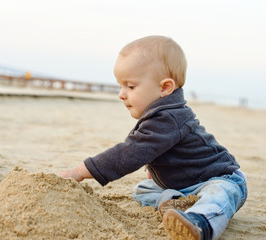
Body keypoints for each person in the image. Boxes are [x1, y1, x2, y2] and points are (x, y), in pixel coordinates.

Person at [59, 35, 247, 240]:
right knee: (143, 190)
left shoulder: (170, 118)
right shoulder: (159, 115)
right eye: (120, 86)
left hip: (219, 178)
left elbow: (130, 153)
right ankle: (177, 201)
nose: (121, 94)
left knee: (219, 194)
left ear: (165, 87)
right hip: (183, 184)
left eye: (130, 86)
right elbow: (155, 148)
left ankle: (200, 223)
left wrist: (80, 171)